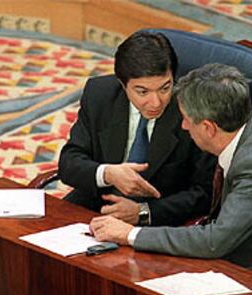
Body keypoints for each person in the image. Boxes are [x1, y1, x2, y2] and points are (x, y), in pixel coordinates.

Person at [90, 63, 252, 281]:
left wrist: (130, 234)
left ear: (209, 127)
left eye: (187, 119)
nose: (184, 126)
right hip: (245, 251)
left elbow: (215, 241)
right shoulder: (251, 131)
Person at [58, 31, 216, 227]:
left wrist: (143, 213)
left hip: (158, 220)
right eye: (143, 92)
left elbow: (206, 192)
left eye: (165, 88)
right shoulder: (100, 94)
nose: (156, 102)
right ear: (123, 85)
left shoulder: (194, 109)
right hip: (96, 204)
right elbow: (69, 162)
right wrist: (108, 174)